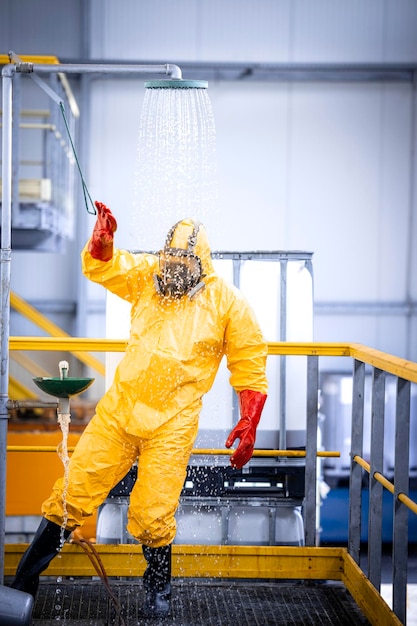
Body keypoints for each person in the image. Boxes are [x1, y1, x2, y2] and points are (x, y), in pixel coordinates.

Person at [11, 201, 268, 618]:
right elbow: (104, 268)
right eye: (167, 262)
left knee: (153, 514)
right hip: (119, 414)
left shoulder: (227, 305)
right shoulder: (149, 275)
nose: (170, 273)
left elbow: (249, 364)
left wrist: (249, 419)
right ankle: (21, 584)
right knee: (71, 495)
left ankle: (157, 593)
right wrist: (103, 242)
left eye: (181, 266)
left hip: (172, 424)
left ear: (201, 266)